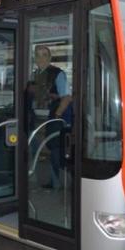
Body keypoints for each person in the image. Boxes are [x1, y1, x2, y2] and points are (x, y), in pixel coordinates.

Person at [32, 45, 72, 190]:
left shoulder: (57, 73)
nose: (41, 58)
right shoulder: (35, 74)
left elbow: (66, 97)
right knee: (47, 146)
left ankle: (57, 181)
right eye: (38, 55)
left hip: (55, 116)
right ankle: (52, 179)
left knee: (55, 147)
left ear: (49, 58)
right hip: (41, 115)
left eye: (44, 55)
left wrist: (57, 114)